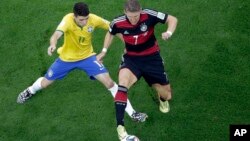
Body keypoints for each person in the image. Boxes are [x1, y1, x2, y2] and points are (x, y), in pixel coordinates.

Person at [16, 2, 148, 123]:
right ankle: (29, 91)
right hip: (66, 59)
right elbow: (56, 34)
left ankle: (133, 113)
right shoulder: (67, 20)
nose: (85, 22)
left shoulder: (93, 19)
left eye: (86, 18)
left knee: (109, 83)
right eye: (81, 19)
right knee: (45, 83)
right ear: (74, 16)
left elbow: (114, 28)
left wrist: (127, 43)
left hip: (88, 58)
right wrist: (52, 44)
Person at [97, 0, 178, 140]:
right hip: (131, 59)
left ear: (140, 11)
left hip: (152, 58)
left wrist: (169, 32)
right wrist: (104, 51)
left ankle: (162, 98)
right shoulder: (118, 22)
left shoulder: (149, 15)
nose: (134, 19)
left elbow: (172, 19)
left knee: (167, 95)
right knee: (122, 85)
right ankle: (120, 127)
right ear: (125, 12)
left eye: (137, 16)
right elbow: (110, 33)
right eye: (131, 16)